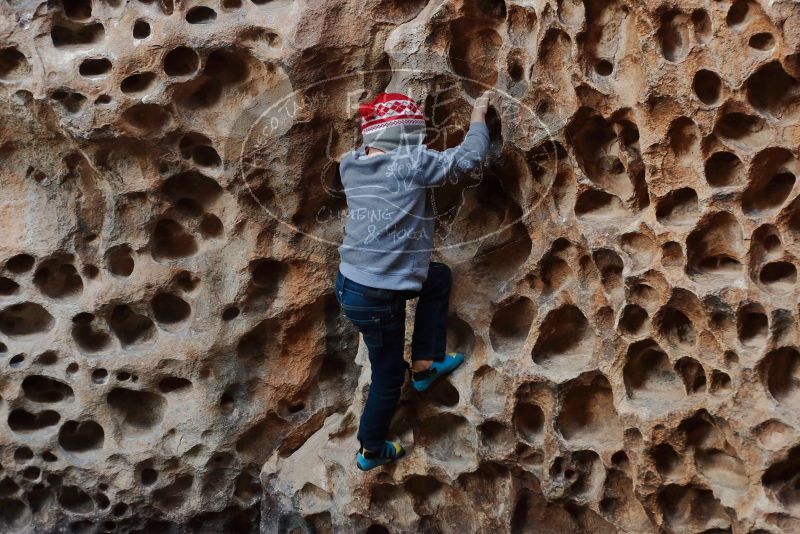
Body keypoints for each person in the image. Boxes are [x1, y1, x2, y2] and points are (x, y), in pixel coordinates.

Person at [334, 89, 492, 471]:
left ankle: (426, 363)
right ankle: (371, 449)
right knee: (388, 374)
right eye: (416, 135)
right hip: (378, 294)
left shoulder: (349, 164)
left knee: (437, 277)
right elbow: (467, 160)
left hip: (350, 283)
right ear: (407, 138)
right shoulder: (409, 162)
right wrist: (478, 120)